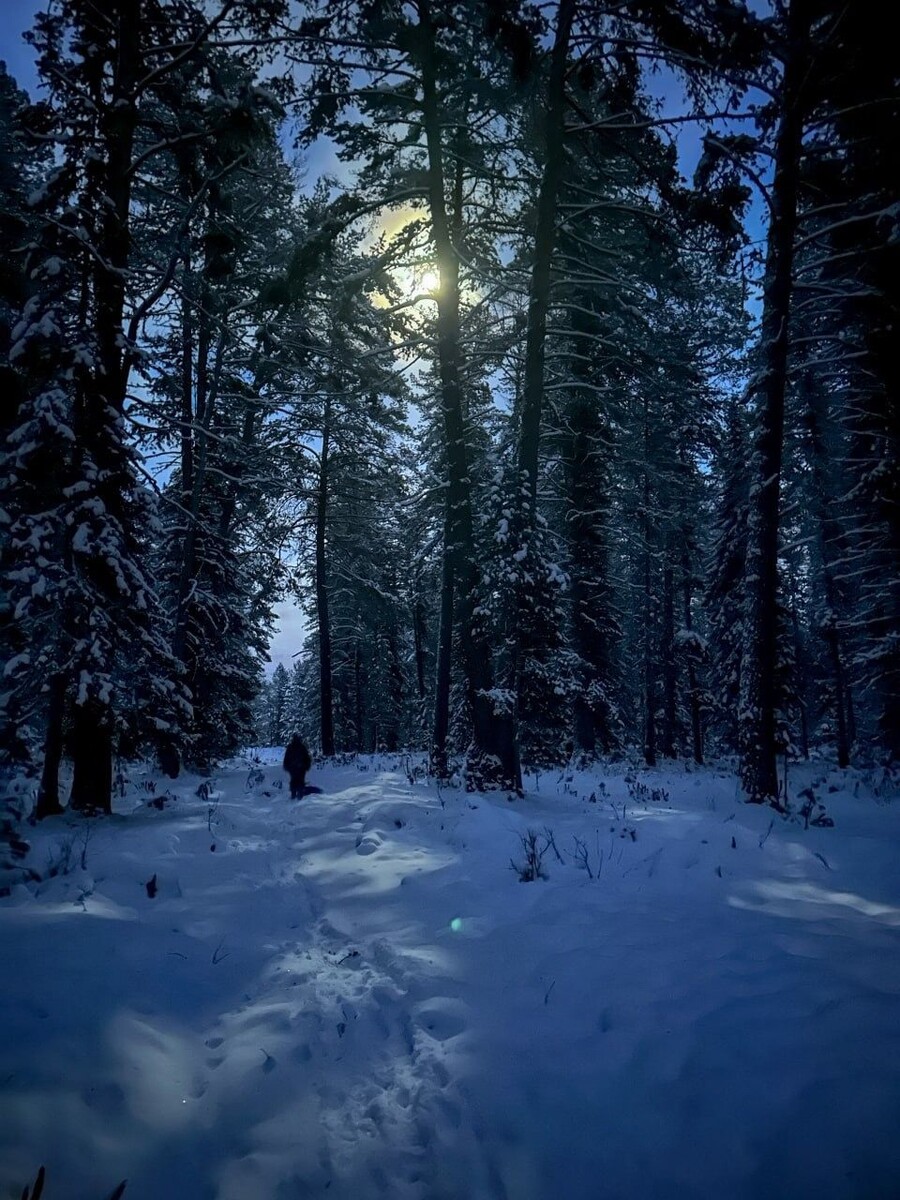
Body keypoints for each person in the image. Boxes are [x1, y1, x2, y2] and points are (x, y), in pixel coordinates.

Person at [283, 734, 312, 799]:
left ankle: (294, 794)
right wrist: (307, 766)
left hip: (293, 768)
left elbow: (286, 758)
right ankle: (299, 794)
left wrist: (286, 766)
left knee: (294, 780)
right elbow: (307, 758)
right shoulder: (302, 747)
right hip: (301, 768)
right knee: (300, 781)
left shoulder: (290, 747)